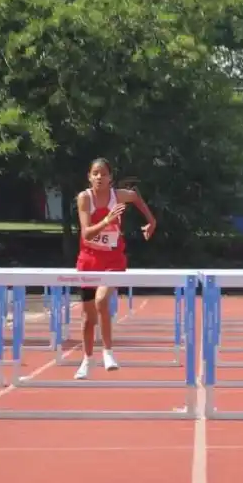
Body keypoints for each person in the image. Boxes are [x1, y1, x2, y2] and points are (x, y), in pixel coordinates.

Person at [74, 158, 157, 380]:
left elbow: (136, 197)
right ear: (89, 177)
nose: (99, 177)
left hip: (113, 259)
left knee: (102, 301)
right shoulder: (84, 198)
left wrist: (151, 221)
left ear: (110, 177)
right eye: (95, 173)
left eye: (103, 173)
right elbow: (86, 234)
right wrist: (107, 220)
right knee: (87, 318)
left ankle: (108, 352)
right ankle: (87, 359)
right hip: (89, 260)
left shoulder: (118, 196)